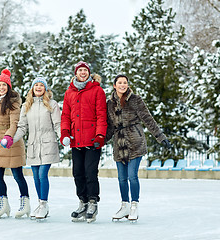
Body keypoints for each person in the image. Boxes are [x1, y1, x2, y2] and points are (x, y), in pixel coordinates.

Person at [105, 74, 172, 222]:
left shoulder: (135, 100)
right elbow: (110, 126)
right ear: (114, 85)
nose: (123, 85)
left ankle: (134, 205)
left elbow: (148, 119)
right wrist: (101, 141)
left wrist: (161, 137)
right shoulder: (109, 103)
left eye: (125, 83)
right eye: (120, 83)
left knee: (132, 176)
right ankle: (125, 206)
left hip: (135, 141)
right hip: (119, 144)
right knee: (121, 178)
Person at [60, 61, 107, 223]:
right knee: (77, 173)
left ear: (89, 73)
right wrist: (65, 132)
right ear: (76, 73)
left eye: (85, 70)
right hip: (76, 140)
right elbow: (65, 115)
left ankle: (93, 201)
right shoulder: (69, 92)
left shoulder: (97, 90)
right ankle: (83, 201)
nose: (82, 73)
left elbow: (101, 115)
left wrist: (100, 135)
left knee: (90, 172)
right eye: (80, 70)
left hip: (92, 140)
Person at [13, 76, 61, 220]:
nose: (38, 87)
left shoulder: (52, 104)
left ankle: (44, 204)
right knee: (35, 176)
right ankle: (40, 204)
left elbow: (58, 124)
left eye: (41, 85)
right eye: (36, 85)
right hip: (33, 145)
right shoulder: (27, 106)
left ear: (45, 89)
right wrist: (12, 139)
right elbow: (22, 127)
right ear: (32, 89)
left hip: (48, 144)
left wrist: (63, 137)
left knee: (42, 174)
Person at [0, 69, 30, 219]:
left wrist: (7, 137)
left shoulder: (13, 102)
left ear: (8, 86)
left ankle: (25, 203)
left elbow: (14, 124)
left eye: (4, 85)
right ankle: (3, 203)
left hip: (11, 143)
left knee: (17, 175)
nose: (1, 88)